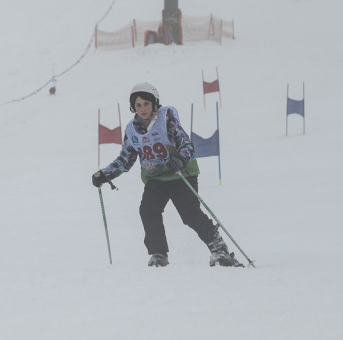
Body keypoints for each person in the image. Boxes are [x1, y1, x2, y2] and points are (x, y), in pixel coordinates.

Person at [91, 82, 242, 268]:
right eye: (138, 105)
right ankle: (158, 254)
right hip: (156, 178)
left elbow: (185, 144)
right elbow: (126, 159)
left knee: (190, 214)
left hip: (180, 173)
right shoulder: (132, 130)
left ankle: (219, 249)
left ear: (154, 103)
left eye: (146, 104)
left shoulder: (166, 119)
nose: (143, 109)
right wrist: (105, 175)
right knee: (148, 210)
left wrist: (180, 158)